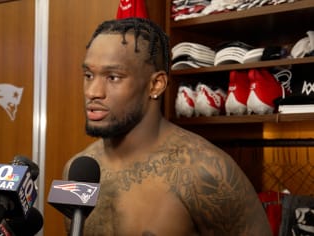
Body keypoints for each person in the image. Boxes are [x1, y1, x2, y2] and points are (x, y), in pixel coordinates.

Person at [63, 17, 272, 235]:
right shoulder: (76, 171)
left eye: (113, 77)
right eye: (88, 75)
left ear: (156, 84)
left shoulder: (206, 173)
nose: (93, 92)